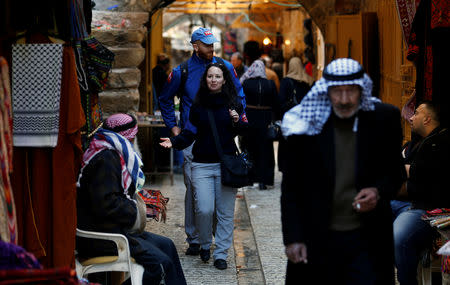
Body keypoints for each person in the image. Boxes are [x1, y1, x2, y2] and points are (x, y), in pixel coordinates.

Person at [280, 58, 405, 285]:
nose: (344, 100)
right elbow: (291, 187)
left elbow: (395, 174)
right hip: (316, 237)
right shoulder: (305, 123)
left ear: (362, 89)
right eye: (337, 92)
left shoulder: (384, 118)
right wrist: (293, 238)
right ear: (326, 91)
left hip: (367, 239)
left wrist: (378, 192)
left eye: (351, 91)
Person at [158, 27, 247, 257]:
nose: (211, 48)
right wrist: (174, 128)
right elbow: (165, 99)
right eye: (206, 44)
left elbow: (239, 95)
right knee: (195, 192)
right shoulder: (182, 71)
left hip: (221, 138)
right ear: (195, 46)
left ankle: (217, 241)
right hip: (191, 137)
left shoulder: (225, 68)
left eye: (212, 44)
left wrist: (237, 116)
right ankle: (195, 238)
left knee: (219, 195)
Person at [76, 114, 186, 285]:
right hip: (102, 236)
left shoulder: (112, 154)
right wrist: (136, 210)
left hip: (114, 229)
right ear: (128, 136)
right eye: (134, 136)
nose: (135, 140)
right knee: (160, 264)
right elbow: (107, 204)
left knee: (167, 245)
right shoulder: (106, 159)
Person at [394, 101, 450, 285]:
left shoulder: (441, 142)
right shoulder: (420, 143)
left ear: (427, 119)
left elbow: (419, 175)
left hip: (427, 209)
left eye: (416, 113)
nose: (411, 117)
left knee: (399, 236)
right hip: (408, 203)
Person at [240, 60, 278, 190]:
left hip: (250, 119)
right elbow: (275, 103)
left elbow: (241, 102)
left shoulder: (246, 83)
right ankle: (264, 180)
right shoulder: (270, 84)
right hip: (265, 119)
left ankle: (250, 179)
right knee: (265, 150)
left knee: (250, 148)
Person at [277, 57, 311, 173]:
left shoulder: (286, 81)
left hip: (289, 118)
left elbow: (281, 100)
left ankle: (287, 167)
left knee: (287, 144)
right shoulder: (308, 81)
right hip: (304, 117)